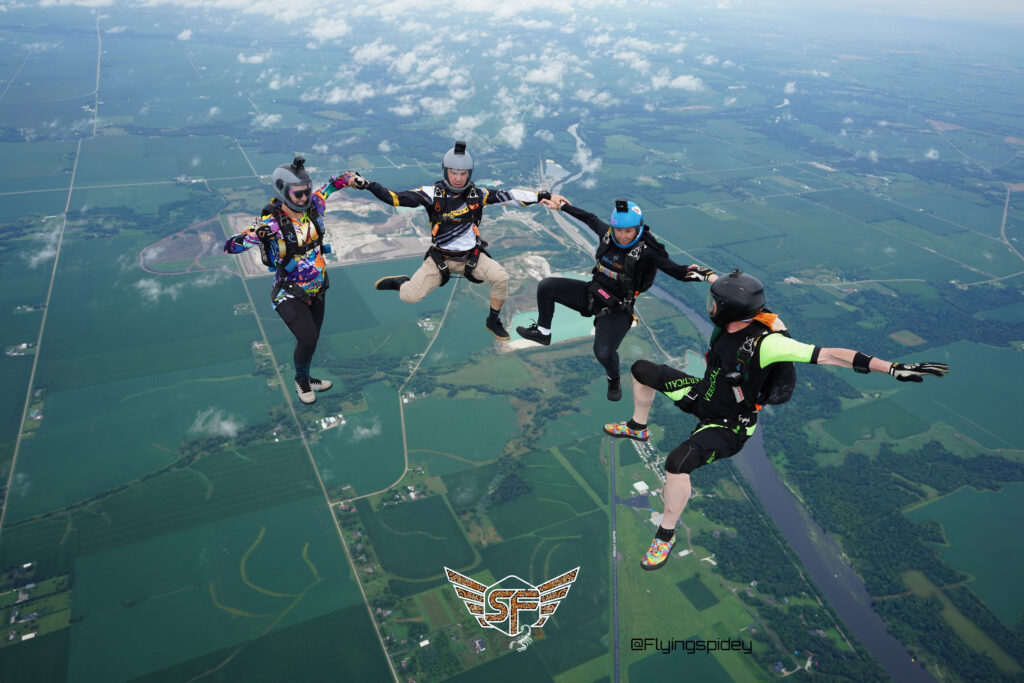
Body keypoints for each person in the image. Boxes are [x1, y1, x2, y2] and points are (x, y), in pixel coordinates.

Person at [603, 268, 949, 570]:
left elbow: (830, 355)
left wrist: (890, 368)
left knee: (678, 463)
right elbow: (737, 288)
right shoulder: (741, 317)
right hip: (703, 395)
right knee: (642, 370)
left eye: (714, 303)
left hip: (729, 424)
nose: (709, 307)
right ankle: (638, 427)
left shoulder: (766, 343)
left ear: (728, 310)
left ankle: (666, 534)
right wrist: (706, 274)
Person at [345, 141, 563, 341]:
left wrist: (541, 195)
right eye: (453, 172)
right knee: (410, 297)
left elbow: (510, 196)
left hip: (471, 257)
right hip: (440, 258)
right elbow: (395, 198)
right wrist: (367, 184)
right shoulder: (432, 194)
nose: (458, 178)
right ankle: (400, 282)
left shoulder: (478, 194)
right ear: (445, 172)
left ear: (469, 174)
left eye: (462, 173)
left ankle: (493, 320)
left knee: (501, 278)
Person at [517, 197, 708, 401]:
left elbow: (677, 271)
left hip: (618, 309)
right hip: (592, 294)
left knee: (603, 351)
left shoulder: (648, 252)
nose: (623, 236)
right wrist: (563, 207)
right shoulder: (608, 236)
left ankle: (613, 379)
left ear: (639, 229)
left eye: (629, 231)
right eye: (619, 230)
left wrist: (709, 276)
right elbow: (590, 219)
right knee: (546, 286)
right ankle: (543, 333)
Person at [224, 156, 354, 405]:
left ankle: (305, 375)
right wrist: (256, 235)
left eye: (306, 192)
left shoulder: (315, 205)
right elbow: (230, 246)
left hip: (318, 288)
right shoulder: (271, 225)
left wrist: (347, 179)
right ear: (283, 192)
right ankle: (301, 382)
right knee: (308, 339)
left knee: (312, 340)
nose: (304, 198)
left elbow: (329, 187)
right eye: (298, 194)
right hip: (289, 292)